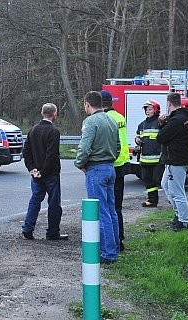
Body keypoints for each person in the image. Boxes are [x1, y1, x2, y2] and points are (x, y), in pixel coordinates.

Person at [75, 90, 120, 264]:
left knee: (101, 213)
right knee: (111, 211)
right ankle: (114, 246)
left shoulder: (91, 121)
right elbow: (117, 146)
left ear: (87, 104)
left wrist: (79, 163)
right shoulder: (112, 119)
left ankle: (108, 253)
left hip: (96, 169)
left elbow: (85, 147)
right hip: (110, 167)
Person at [21, 103, 67, 240]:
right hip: (50, 173)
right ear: (55, 114)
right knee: (53, 203)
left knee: (35, 200)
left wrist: (32, 168)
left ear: (42, 113)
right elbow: (51, 155)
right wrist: (43, 171)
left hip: (36, 173)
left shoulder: (33, 130)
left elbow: (26, 151)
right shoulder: (53, 132)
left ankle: (28, 228)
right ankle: (52, 232)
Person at [157, 92, 188, 231]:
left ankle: (183, 221)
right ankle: (178, 214)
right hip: (177, 158)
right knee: (165, 185)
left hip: (176, 160)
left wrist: (161, 124)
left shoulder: (177, 120)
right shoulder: (184, 117)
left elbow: (161, 137)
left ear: (169, 103)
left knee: (177, 191)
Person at [104, 91, 130, 251]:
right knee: (117, 206)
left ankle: (111, 240)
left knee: (107, 206)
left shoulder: (106, 119)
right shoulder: (120, 117)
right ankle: (120, 239)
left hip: (111, 163)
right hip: (122, 163)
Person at [135, 99, 164, 208]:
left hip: (158, 159)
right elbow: (137, 136)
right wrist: (137, 140)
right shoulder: (141, 125)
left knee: (159, 180)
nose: (147, 111)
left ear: (156, 110)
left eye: (150, 109)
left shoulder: (160, 123)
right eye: (146, 109)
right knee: (147, 179)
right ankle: (152, 201)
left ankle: (173, 198)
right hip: (145, 158)